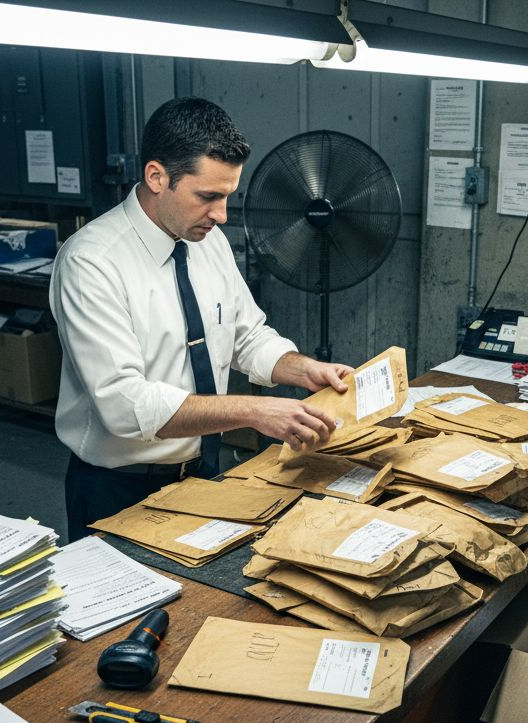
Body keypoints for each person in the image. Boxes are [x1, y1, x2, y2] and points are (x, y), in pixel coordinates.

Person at [50, 96, 353, 541]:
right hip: (118, 487)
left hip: (202, 471)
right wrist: (253, 410)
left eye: (228, 196)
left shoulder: (206, 240)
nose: (222, 215)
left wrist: (302, 368)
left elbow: (247, 335)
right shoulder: (92, 263)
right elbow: (124, 404)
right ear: (157, 177)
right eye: (208, 196)